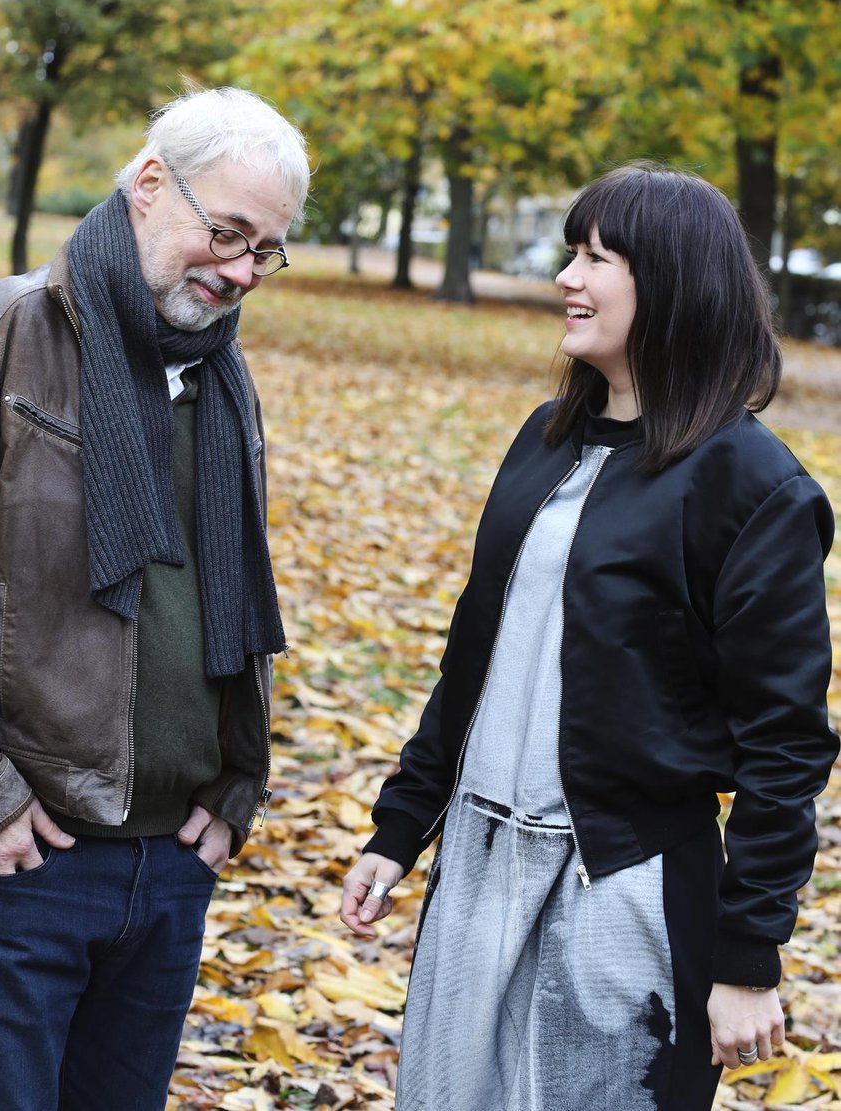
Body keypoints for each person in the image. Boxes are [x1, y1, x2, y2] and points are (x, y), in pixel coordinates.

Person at [341, 163, 838, 1111]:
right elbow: (477, 650)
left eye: (596, 257)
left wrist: (748, 954)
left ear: (676, 283)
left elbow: (786, 743)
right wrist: (403, 824)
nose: (568, 278)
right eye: (572, 252)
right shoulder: (546, 438)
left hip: (622, 885)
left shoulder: (752, 484)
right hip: (479, 867)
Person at [0, 87, 310, 1110]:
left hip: (170, 862)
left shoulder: (219, 372)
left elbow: (230, 597)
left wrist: (237, 783)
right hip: (21, 865)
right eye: (228, 233)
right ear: (150, 185)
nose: (242, 271)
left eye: (265, 251)